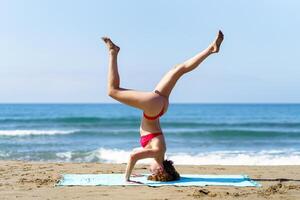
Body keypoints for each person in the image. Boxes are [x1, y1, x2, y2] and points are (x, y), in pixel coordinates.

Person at [102, 31, 224, 182]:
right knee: (112, 91)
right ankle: (113, 52)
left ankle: (210, 50)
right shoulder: (157, 152)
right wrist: (126, 178)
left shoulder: (158, 152)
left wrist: (132, 171)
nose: (149, 171)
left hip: (160, 107)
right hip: (153, 107)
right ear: (160, 169)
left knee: (178, 70)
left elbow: (134, 153)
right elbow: (134, 156)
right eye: (153, 172)